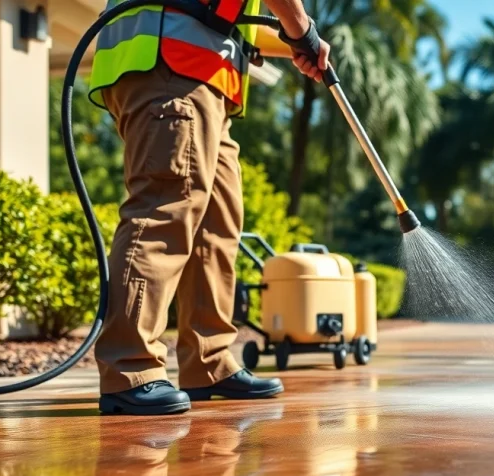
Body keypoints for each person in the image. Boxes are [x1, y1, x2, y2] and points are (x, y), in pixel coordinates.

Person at [87, 0, 331, 415]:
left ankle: (209, 360)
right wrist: (302, 29)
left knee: (216, 225)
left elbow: (238, 20)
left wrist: (297, 42)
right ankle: (130, 368)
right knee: (166, 205)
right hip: (168, 64)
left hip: (202, 76)